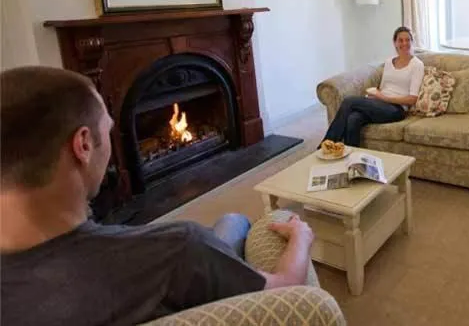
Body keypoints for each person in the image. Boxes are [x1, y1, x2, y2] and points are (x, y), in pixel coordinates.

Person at [0, 66, 315, 326]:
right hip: (188, 272)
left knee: (231, 222)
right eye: (107, 129)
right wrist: (300, 235)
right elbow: (286, 292)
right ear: (82, 145)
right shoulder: (174, 250)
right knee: (240, 225)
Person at [322, 26, 425, 147]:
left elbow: (412, 99)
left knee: (349, 102)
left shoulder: (417, 65)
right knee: (353, 119)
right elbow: (384, 87)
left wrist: (384, 98)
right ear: (395, 43)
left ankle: (327, 145)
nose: (404, 43)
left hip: (396, 109)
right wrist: (374, 96)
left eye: (407, 40)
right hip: (380, 103)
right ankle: (352, 158)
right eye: (400, 40)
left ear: (412, 42)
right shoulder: (389, 62)